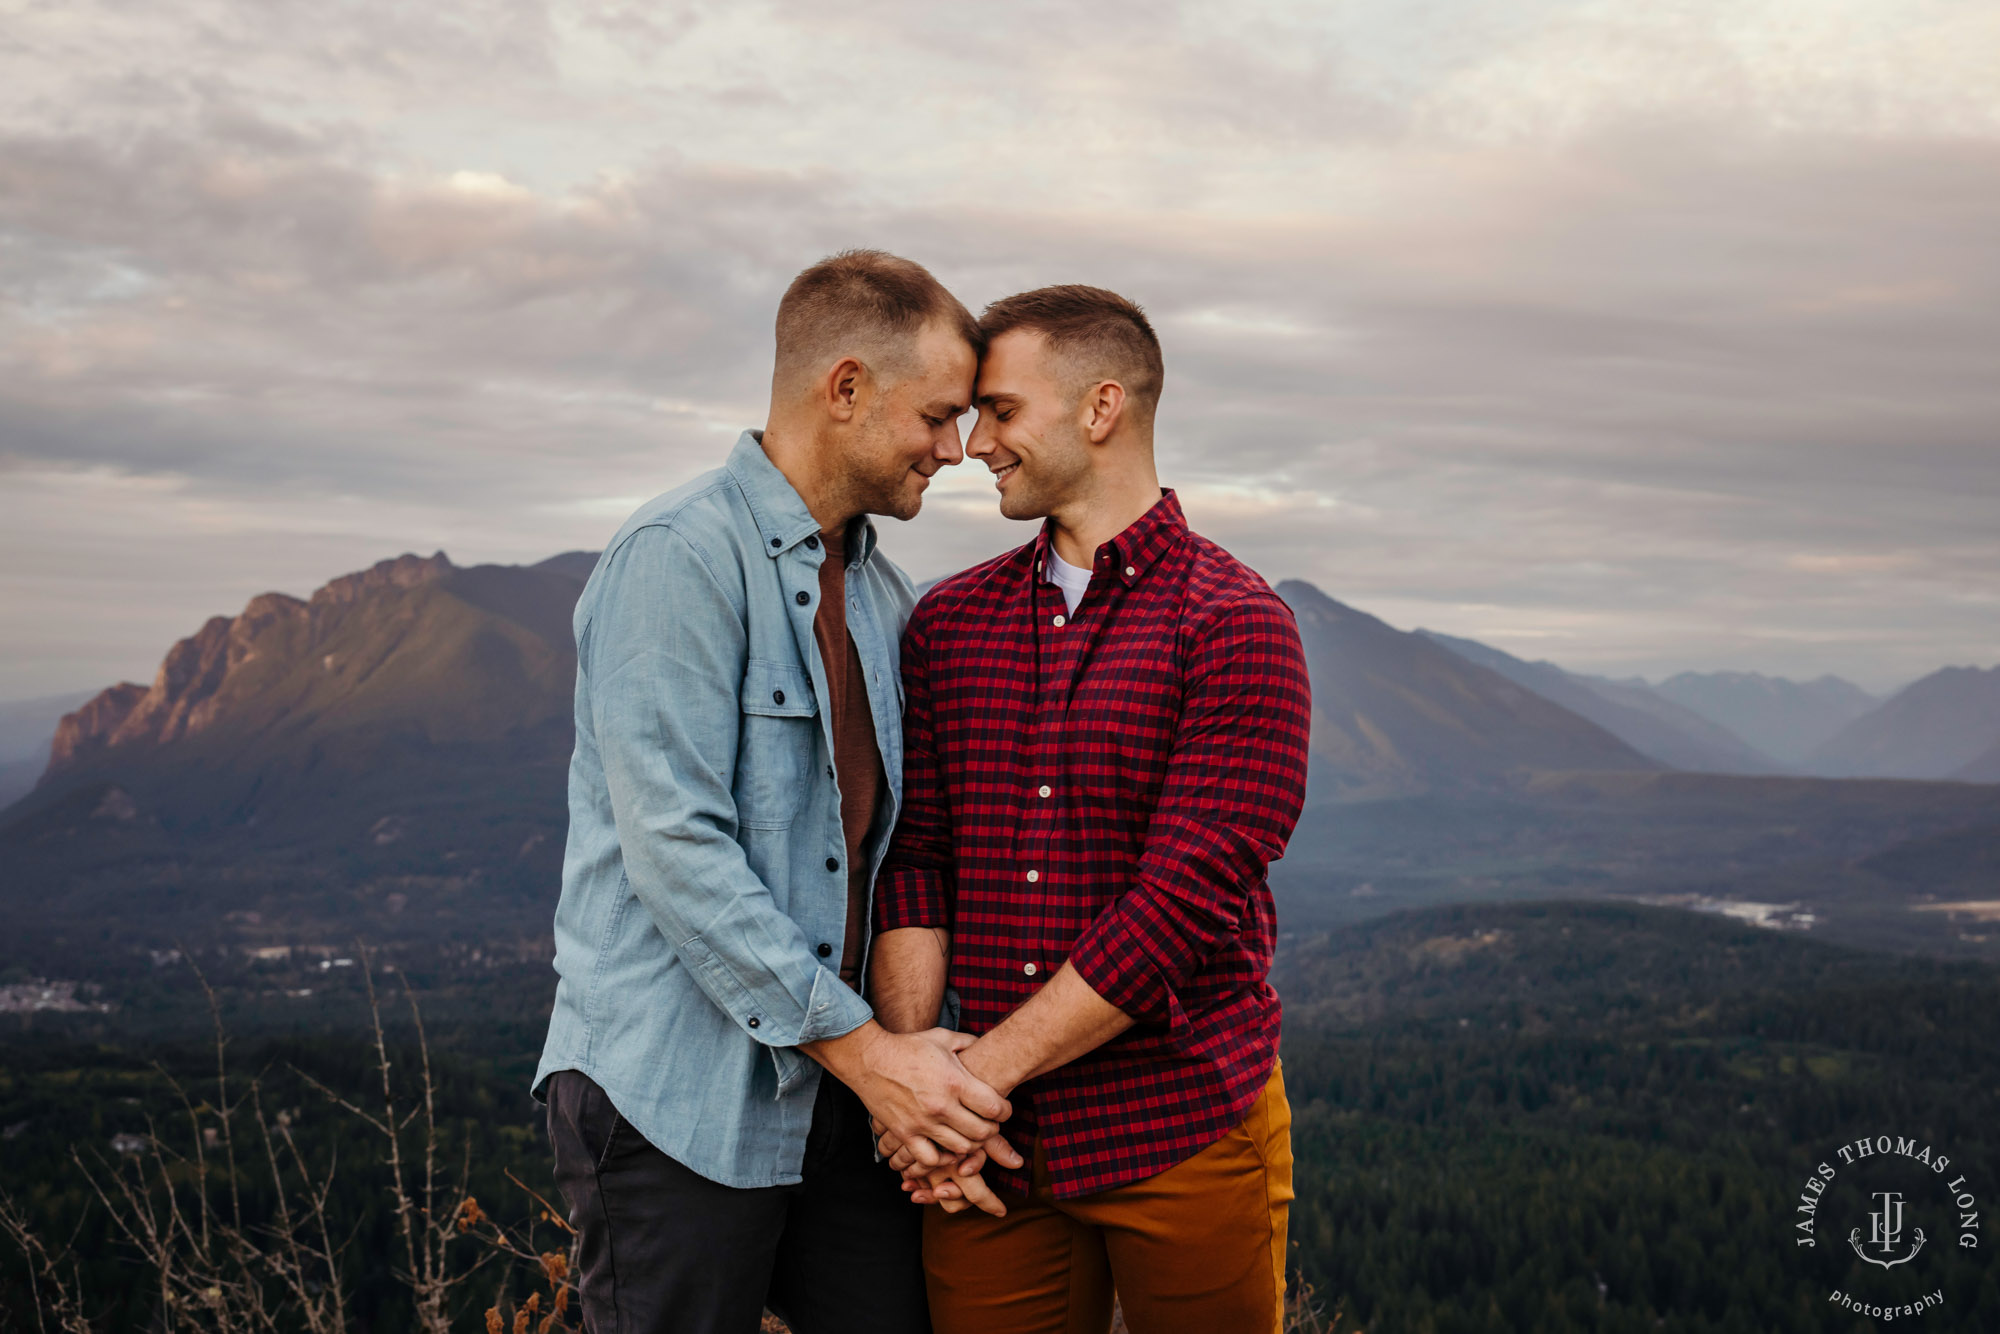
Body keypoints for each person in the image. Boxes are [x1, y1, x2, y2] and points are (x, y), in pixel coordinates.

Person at [533, 250, 1017, 1334]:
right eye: (936, 415)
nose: (956, 448)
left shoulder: (886, 597)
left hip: (840, 1096)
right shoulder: (678, 556)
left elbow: (898, 857)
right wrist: (875, 1059)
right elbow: (678, 849)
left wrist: (924, 1075)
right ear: (843, 388)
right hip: (676, 1096)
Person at [868, 285, 1313, 1334]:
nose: (974, 443)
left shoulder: (1234, 624)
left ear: (1100, 407)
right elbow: (917, 857)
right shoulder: (949, 621)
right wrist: (922, 1083)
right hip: (990, 1159)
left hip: (1180, 1125)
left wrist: (959, 1088)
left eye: (1001, 411)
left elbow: (1178, 903)